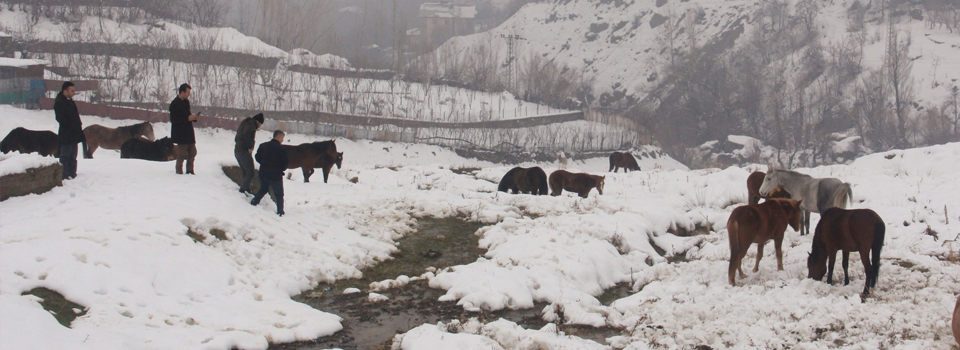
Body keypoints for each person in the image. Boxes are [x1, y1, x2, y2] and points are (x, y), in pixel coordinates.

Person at [251, 130, 289, 216]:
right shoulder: (282, 149)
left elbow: (257, 157)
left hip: (263, 173)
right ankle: (280, 212)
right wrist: (280, 169)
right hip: (275, 175)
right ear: (278, 137)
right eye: (282, 138)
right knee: (279, 194)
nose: (282, 140)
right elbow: (285, 163)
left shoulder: (263, 146)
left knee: (263, 189)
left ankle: (253, 202)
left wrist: (264, 164)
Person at [169, 83, 201, 174]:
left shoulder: (186, 102)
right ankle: (179, 171)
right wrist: (187, 119)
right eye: (187, 92)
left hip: (189, 132)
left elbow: (188, 115)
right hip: (180, 133)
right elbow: (174, 119)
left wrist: (194, 118)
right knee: (182, 154)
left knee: (192, 152)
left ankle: (190, 171)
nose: (189, 94)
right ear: (182, 92)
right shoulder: (174, 104)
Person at [55, 81, 83, 180]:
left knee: (73, 156)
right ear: (65, 91)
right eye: (71, 90)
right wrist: (71, 126)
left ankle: (72, 173)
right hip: (66, 134)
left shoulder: (69, 101)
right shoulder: (60, 102)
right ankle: (64, 175)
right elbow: (60, 119)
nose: (73, 92)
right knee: (65, 156)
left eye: (74, 90)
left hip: (73, 134)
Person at [235, 113, 264, 194]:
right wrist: (249, 147)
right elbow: (246, 134)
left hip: (238, 150)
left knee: (245, 171)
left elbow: (238, 137)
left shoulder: (245, 123)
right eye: (260, 124)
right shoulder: (251, 125)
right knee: (250, 172)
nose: (260, 126)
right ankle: (242, 191)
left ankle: (246, 190)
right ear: (258, 122)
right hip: (243, 151)